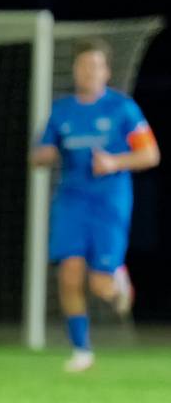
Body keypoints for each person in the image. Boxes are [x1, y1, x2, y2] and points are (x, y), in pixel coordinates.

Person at [31, 37, 159, 372]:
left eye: (95, 66)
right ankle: (81, 349)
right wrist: (43, 156)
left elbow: (150, 154)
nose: (88, 72)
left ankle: (118, 283)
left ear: (106, 71)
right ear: (75, 70)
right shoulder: (61, 111)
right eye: (82, 66)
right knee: (69, 275)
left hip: (109, 203)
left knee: (100, 286)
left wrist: (115, 162)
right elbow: (39, 153)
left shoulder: (122, 109)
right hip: (71, 201)